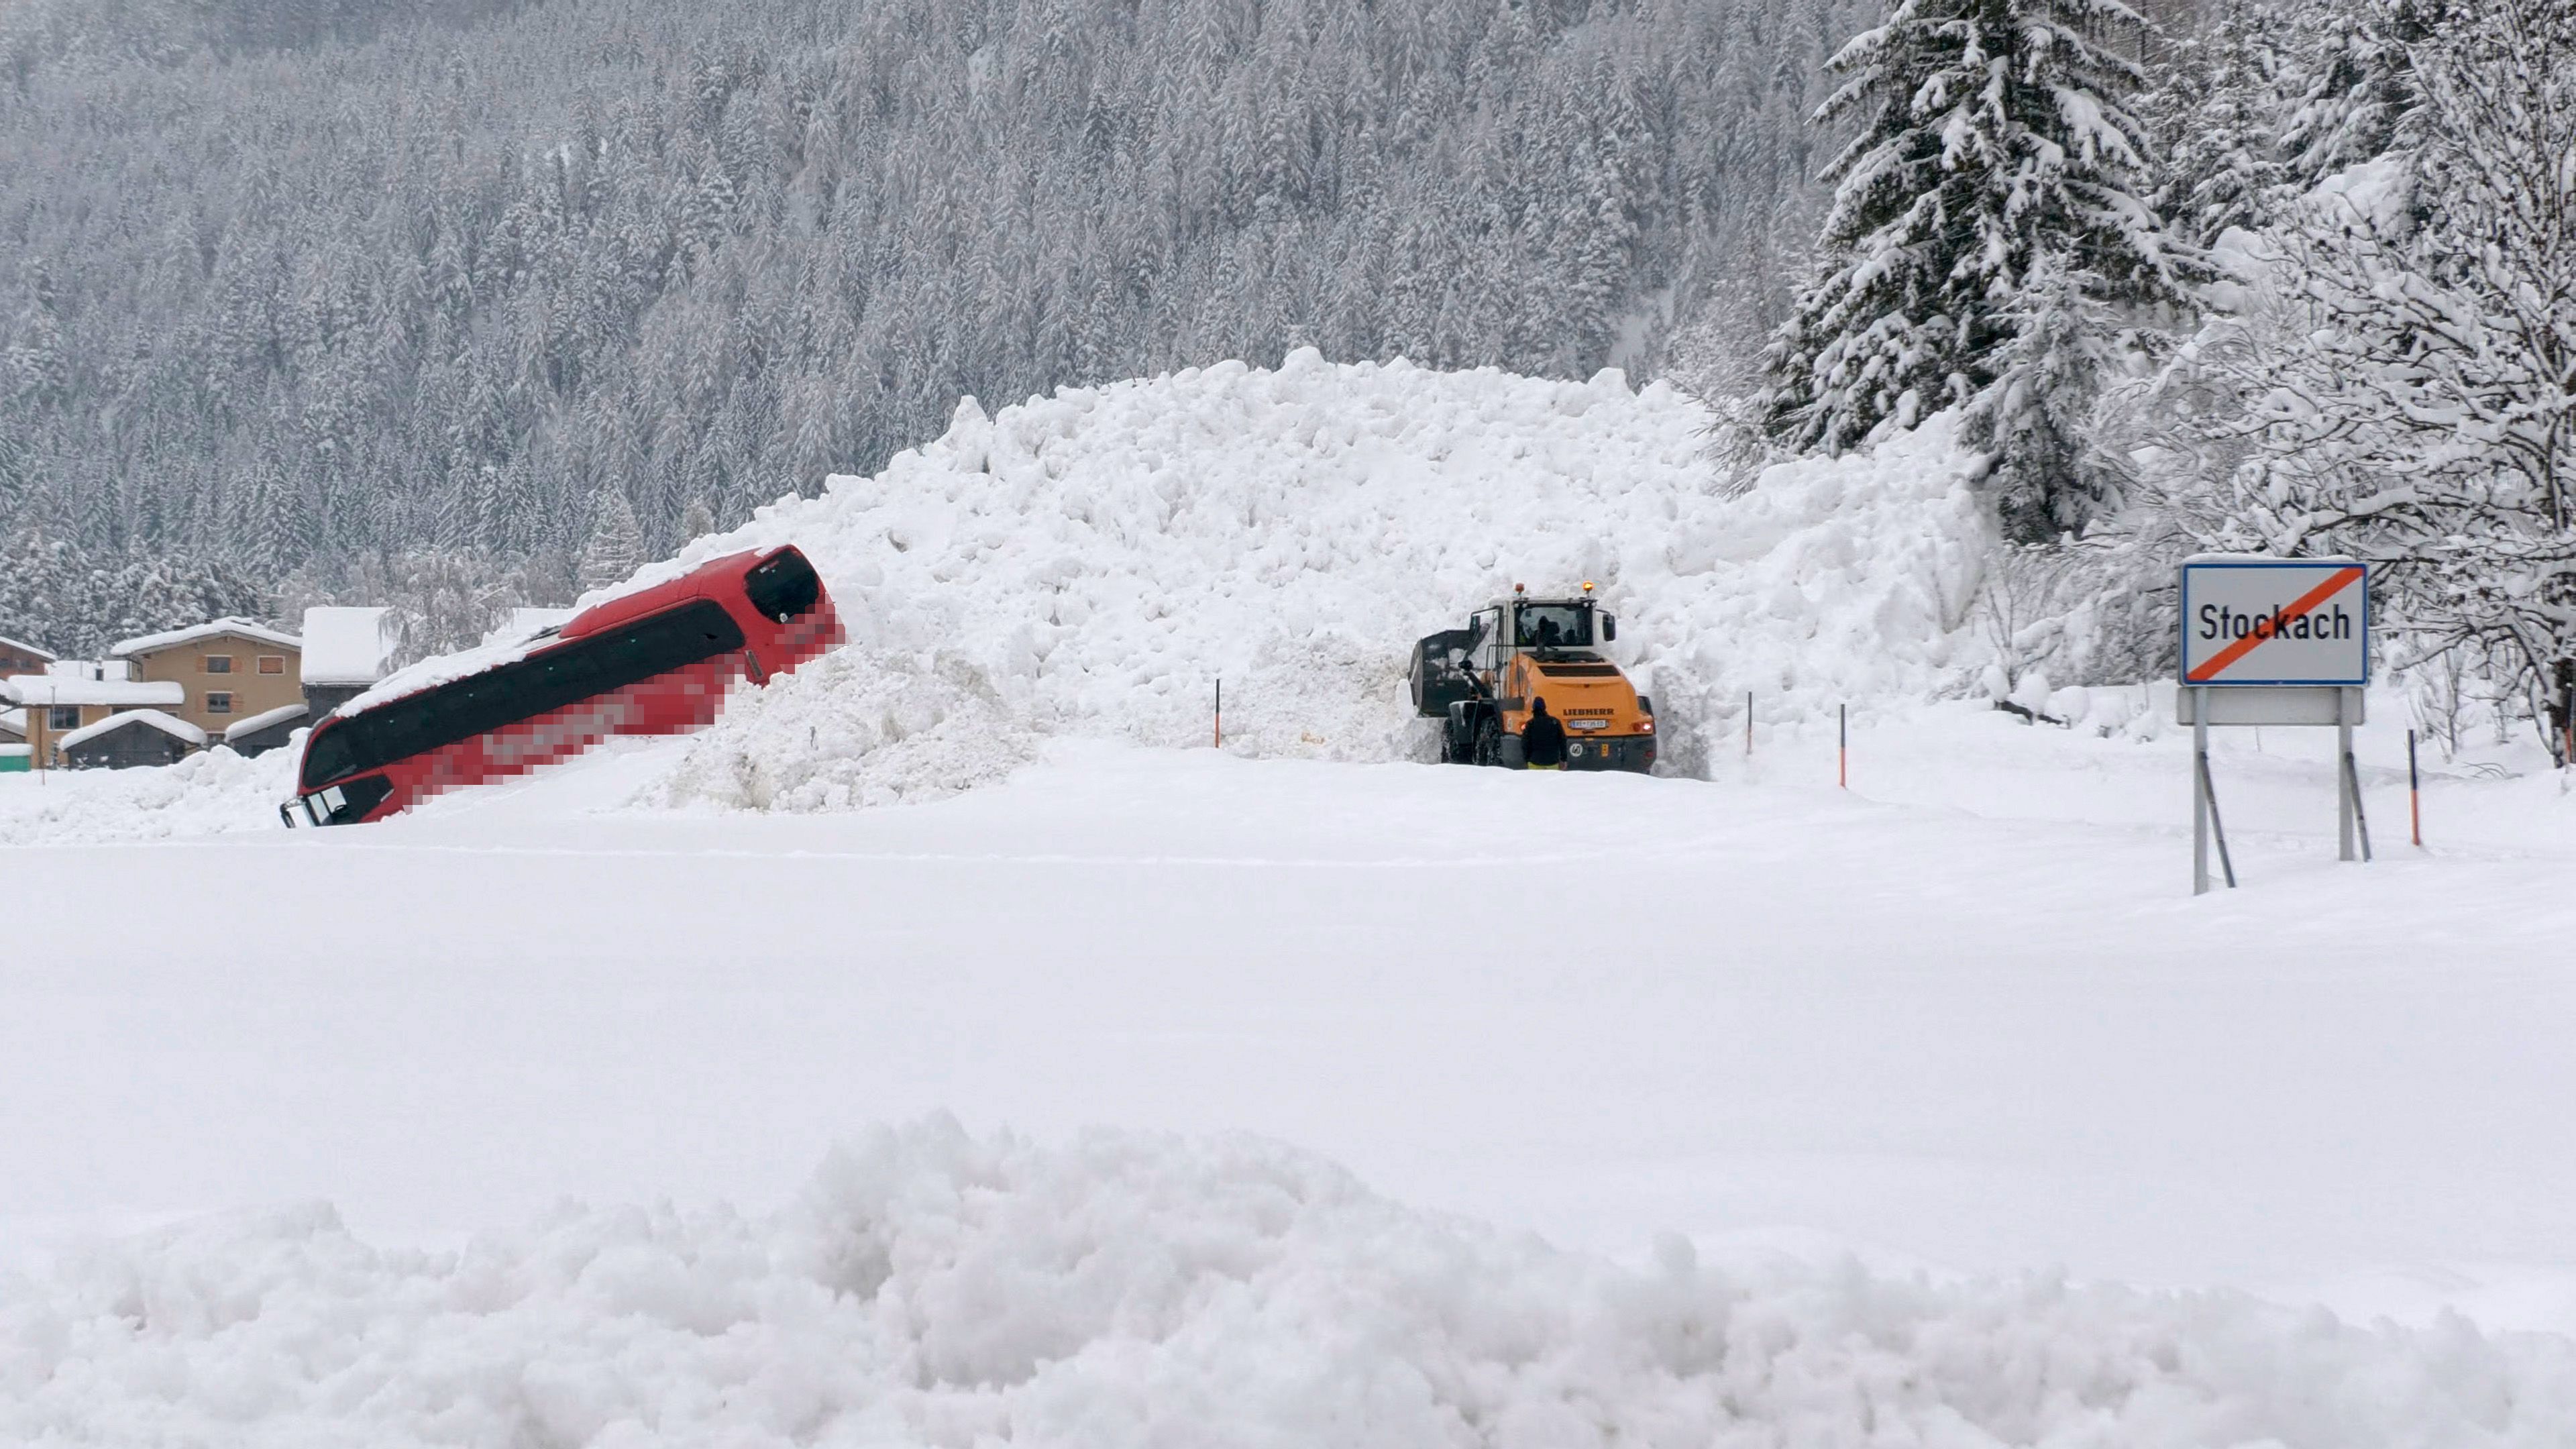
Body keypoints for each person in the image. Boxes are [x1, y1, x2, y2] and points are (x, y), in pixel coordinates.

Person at [1521, 695, 1567, 769]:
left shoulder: (1530, 724)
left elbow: (1525, 744)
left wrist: (1526, 760)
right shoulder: (1554, 722)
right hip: (1552, 762)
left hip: (1535, 762)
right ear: (1545, 708)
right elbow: (1562, 741)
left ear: (1533, 708)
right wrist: (1563, 759)